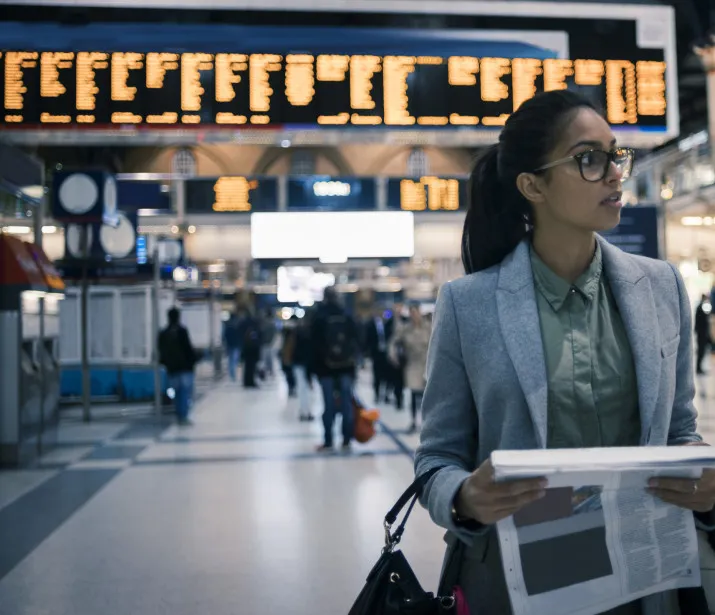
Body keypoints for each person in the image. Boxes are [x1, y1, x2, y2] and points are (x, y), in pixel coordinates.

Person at [414, 90, 715, 615]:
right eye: (588, 160)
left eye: (614, 155)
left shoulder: (661, 287)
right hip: (520, 584)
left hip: (644, 579)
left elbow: (679, 431)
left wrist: (703, 486)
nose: (616, 174)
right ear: (533, 185)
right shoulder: (470, 305)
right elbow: (437, 458)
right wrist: (463, 497)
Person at [312, 287, 358, 451]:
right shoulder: (346, 314)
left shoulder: (319, 316)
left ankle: (328, 440)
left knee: (328, 405)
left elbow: (313, 345)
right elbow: (356, 339)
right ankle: (346, 439)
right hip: (346, 367)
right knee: (346, 404)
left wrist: (314, 370)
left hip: (326, 368)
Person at [389, 304, 430, 433]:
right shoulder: (406, 329)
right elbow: (394, 340)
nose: (414, 315)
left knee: (426, 395)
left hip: (426, 364)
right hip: (412, 364)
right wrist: (393, 355)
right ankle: (413, 421)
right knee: (413, 393)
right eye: (411, 312)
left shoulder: (429, 327)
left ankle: (427, 422)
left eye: (415, 312)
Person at [158, 307, 198, 426]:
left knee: (176, 392)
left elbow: (161, 350)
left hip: (172, 368)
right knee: (185, 392)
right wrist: (193, 362)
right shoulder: (182, 331)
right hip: (185, 367)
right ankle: (183, 415)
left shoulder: (163, 333)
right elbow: (188, 349)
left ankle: (179, 414)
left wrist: (166, 363)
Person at [365, 307, 391, 404]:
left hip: (386, 353)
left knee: (386, 375)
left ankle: (386, 394)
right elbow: (368, 339)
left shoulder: (386, 324)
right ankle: (377, 393)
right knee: (376, 375)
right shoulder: (370, 325)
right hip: (376, 353)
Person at [223, 309, 245, 382]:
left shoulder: (228, 325)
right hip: (236, 345)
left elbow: (225, 336)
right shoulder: (237, 325)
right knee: (235, 360)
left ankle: (232, 375)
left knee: (231, 360)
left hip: (230, 345)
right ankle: (233, 375)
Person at [242, 309, 261, 389]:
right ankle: (251, 381)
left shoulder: (243, 323)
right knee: (252, 367)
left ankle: (247, 382)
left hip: (246, 348)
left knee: (247, 366)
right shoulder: (254, 324)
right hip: (253, 349)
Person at [695, 294, 712, 375]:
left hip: (701, 333)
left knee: (701, 351)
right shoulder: (702, 306)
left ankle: (699, 368)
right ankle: (698, 369)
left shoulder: (700, 306)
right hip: (701, 333)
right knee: (701, 351)